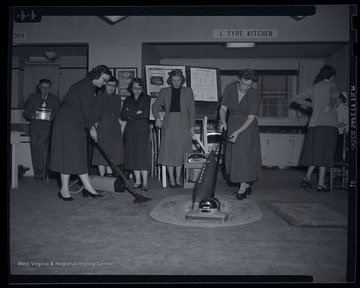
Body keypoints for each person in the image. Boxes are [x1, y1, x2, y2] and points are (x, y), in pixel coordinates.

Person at [49, 65, 111, 201]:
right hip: (67, 121)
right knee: (71, 154)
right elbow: (86, 111)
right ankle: (66, 190)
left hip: (74, 121)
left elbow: (87, 111)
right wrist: (92, 129)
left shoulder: (89, 86)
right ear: (97, 75)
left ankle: (84, 188)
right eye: (104, 80)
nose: (105, 83)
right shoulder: (86, 87)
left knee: (77, 154)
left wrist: (91, 125)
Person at [292, 65, 339, 192]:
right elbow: (336, 98)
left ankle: (310, 178)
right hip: (329, 124)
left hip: (314, 124)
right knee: (326, 154)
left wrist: (313, 105)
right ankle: (320, 183)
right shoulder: (332, 86)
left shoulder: (314, 87)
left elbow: (297, 98)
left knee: (317, 153)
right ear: (331, 76)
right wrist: (329, 105)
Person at [219, 69, 262, 200]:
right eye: (244, 83)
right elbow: (223, 108)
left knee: (243, 155)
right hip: (232, 122)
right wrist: (223, 121)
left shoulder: (254, 94)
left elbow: (251, 117)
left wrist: (238, 132)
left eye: (249, 85)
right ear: (239, 79)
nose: (246, 87)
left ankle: (242, 188)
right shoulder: (229, 89)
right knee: (233, 155)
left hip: (247, 128)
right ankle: (247, 185)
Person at [152, 69, 196, 188]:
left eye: (178, 80)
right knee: (169, 153)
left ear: (182, 80)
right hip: (169, 124)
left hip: (184, 125)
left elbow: (191, 110)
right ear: (170, 80)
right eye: (174, 80)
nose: (176, 83)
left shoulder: (188, 91)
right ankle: (171, 179)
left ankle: (178, 179)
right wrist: (157, 118)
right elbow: (155, 106)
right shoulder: (164, 91)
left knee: (181, 153)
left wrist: (192, 126)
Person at [23, 79, 61, 181]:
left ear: (50, 87)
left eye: (47, 88)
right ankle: (38, 174)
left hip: (47, 128)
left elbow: (58, 114)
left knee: (40, 145)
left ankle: (41, 168)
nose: (45, 90)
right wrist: (32, 115)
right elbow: (26, 112)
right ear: (39, 87)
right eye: (43, 88)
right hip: (34, 127)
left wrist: (51, 117)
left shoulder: (55, 99)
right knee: (34, 150)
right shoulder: (32, 97)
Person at [120, 78, 151, 192]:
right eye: (134, 88)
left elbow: (146, 114)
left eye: (139, 88)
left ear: (142, 88)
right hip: (130, 130)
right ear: (131, 88)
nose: (137, 90)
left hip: (142, 130)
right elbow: (123, 114)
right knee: (133, 156)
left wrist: (130, 114)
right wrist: (136, 112)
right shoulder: (128, 99)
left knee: (141, 156)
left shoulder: (146, 98)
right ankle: (137, 181)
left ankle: (145, 183)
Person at [91, 76, 125, 176]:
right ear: (105, 85)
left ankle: (109, 177)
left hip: (115, 129)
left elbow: (118, 114)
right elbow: (94, 117)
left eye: (114, 86)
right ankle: (102, 178)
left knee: (112, 154)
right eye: (110, 85)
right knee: (101, 155)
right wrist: (97, 129)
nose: (112, 87)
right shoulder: (99, 98)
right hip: (103, 128)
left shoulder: (117, 98)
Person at [334, 92, 349, 161]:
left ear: (340, 99)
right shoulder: (338, 108)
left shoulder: (344, 108)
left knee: (338, 152)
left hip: (343, 135)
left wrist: (335, 126)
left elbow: (346, 121)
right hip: (339, 134)